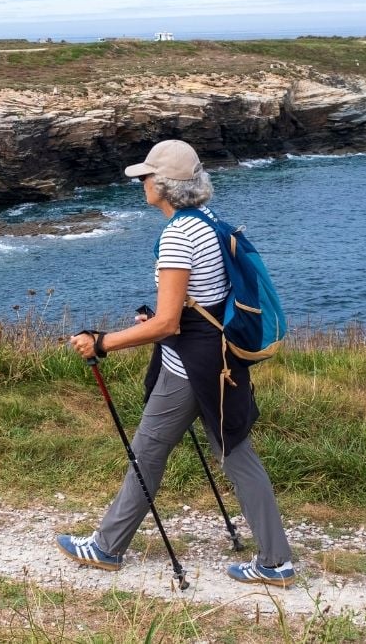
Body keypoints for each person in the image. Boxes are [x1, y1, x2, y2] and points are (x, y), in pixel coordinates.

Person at [55, 139, 296, 587]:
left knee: (154, 451)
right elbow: (199, 302)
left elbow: (166, 324)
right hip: (217, 359)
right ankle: (275, 560)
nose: (141, 184)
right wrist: (166, 316)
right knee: (232, 450)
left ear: (165, 186)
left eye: (146, 177)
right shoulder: (209, 224)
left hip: (189, 367)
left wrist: (102, 342)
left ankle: (107, 548)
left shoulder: (178, 235)